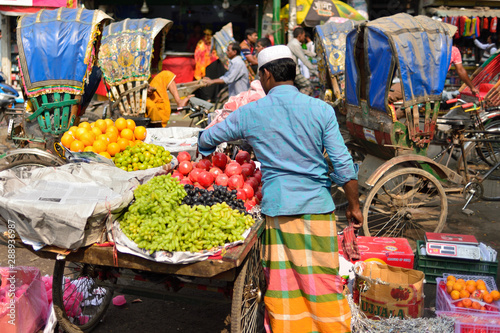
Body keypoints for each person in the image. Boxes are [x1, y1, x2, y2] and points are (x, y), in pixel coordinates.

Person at [197, 45, 362, 333]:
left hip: (279, 210)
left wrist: (207, 151)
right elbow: (344, 166)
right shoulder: (321, 109)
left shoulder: (252, 112)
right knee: (322, 282)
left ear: (267, 75)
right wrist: (354, 206)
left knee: (283, 285)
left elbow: (207, 138)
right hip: (318, 210)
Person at [287, 27, 316, 95]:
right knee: (308, 86)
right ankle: (300, 102)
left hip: (292, 71)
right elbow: (304, 59)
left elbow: (304, 52)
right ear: (299, 35)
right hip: (295, 72)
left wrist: (316, 55)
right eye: (304, 35)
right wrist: (314, 72)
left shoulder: (293, 43)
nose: (304, 37)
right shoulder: (295, 44)